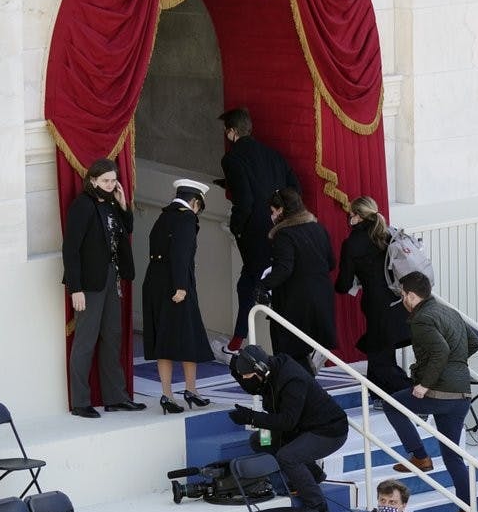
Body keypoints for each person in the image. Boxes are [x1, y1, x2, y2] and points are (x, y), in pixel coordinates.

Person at [382, 272, 478, 512]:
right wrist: (456, 365)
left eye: (403, 295)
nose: (402, 299)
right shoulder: (448, 311)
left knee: (391, 404)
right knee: (452, 456)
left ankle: (420, 456)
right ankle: (466, 511)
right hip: (461, 394)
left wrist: (425, 384)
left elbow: (440, 350)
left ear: (412, 296)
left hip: (440, 392)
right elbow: (474, 341)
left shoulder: (422, 319)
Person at [62, 157, 146, 418]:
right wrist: (75, 288)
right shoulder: (82, 206)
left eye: (113, 180)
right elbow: (71, 249)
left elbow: (127, 229)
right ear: (93, 180)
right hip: (89, 283)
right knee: (85, 341)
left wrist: (123, 205)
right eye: (106, 181)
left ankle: (116, 397)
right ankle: (80, 401)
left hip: (112, 277)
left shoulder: (111, 204)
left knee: (113, 337)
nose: (111, 185)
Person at [228, 345, 348, 512]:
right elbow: (254, 387)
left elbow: (287, 422)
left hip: (328, 430)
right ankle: (313, 475)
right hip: (302, 428)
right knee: (260, 441)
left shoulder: (292, 380)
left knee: (287, 456)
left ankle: (317, 505)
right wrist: (235, 370)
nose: (246, 380)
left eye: (248, 376)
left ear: (261, 369)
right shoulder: (268, 374)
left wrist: (251, 418)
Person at [218, 107, 301, 356]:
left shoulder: (232, 159)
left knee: (252, 283)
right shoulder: (273, 154)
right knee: (258, 283)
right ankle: (239, 340)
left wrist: (237, 227)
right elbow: (294, 188)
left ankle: (238, 343)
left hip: (254, 232)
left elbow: (244, 199)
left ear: (232, 132)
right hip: (282, 228)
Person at [142, 179, 215, 415]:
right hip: (176, 285)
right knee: (188, 338)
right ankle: (191, 390)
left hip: (155, 282)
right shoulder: (185, 217)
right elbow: (181, 253)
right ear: (195, 202)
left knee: (164, 339)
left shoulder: (164, 216)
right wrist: (181, 286)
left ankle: (167, 394)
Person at [334, 196, 412, 395]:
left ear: (358, 217)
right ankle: (378, 394)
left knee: (380, 360)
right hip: (400, 300)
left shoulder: (352, 244)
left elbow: (344, 284)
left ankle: (414, 394)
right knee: (381, 353)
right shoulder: (388, 234)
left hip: (377, 306)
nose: (349, 218)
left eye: (350, 214)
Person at [258, 187, 336, 374]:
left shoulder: (284, 235)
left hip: (295, 302)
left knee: (288, 353)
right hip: (322, 298)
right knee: (304, 350)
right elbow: (331, 263)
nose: (273, 215)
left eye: (273, 210)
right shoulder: (318, 228)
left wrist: (262, 285)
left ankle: (298, 395)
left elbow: (284, 269)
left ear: (282, 210)